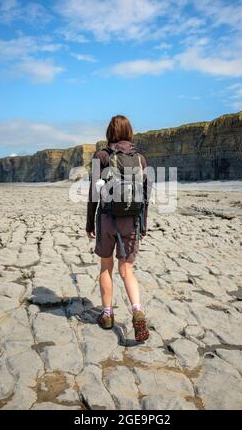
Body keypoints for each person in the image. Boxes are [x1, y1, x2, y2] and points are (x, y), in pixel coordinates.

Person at [86, 115, 150, 342]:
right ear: (129, 132)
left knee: (106, 267)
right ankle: (136, 311)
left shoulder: (101, 156)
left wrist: (89, 223)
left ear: (109, 133)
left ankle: (107, 315)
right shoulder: (141, 158)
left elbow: (94, 194)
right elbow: (146, 196)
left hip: (106, 219)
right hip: (131, 220)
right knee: (127, 270)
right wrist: (143, 224)